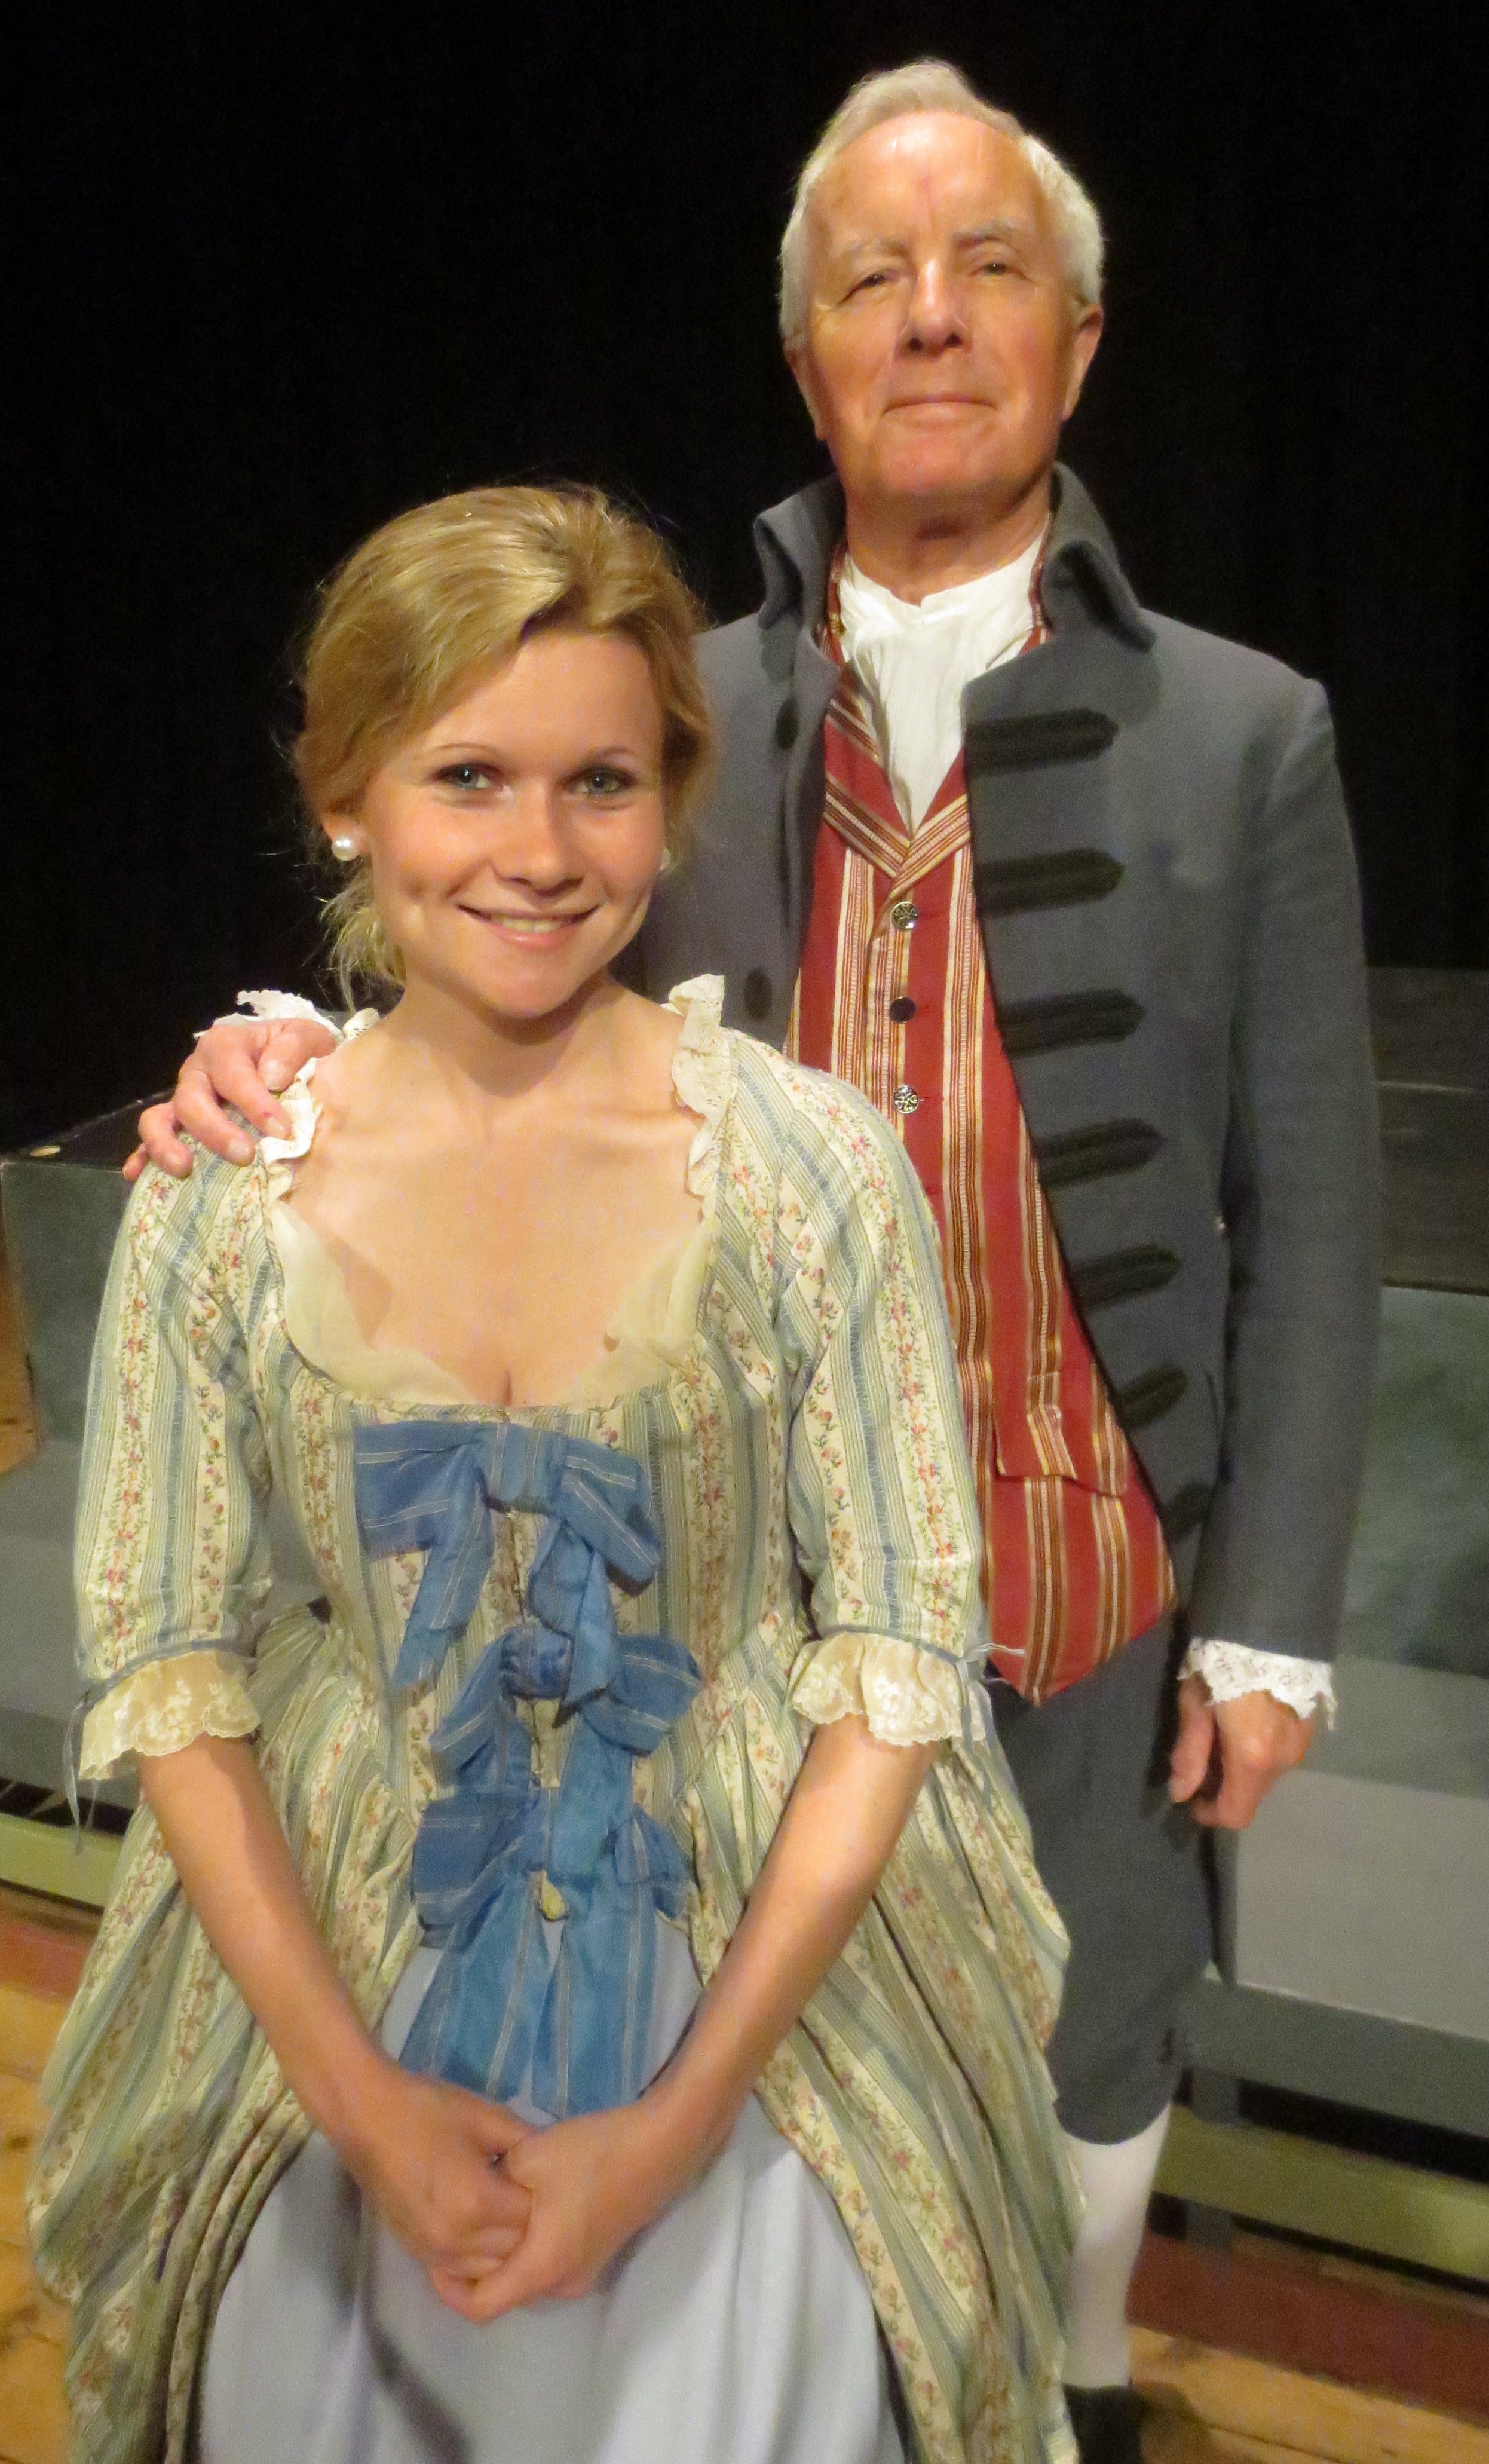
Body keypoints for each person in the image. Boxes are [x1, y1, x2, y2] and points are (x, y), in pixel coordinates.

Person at [130, 60, 1381, 2464]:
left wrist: (1271, 1613)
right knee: (786, 2070)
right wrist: (289, 1041)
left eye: (988, 267)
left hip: (1078, 1550)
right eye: (868, 280)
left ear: (1080, 339)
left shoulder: (1246, 731)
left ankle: (1064, 2387)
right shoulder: (658, 700)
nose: (930, 317)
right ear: (806, 359)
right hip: (727, 1575)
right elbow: (493, 952)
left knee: (1091, 2008)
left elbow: (1313, 1197)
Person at [29, 485, 1081, 2464]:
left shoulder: (807, 1167)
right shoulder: (218, 1197)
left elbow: (895, 1652)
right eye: (467, 775)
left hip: (748, 1954)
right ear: (345, 795)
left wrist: (673, 2126)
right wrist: (362, 2107)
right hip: (340, 1956)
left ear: (670, 803)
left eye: (598, 780)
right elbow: (166, 1663)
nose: (536, 850)